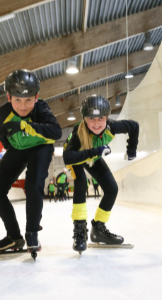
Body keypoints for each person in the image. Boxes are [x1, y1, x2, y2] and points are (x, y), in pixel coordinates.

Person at [0, 70, 61, 256]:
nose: (23, 106)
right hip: (18, 149)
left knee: (33, 184)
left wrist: (24, 126)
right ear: (8, 97)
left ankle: (32, 232)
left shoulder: (41, 108)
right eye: (17, 100)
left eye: (28, 100)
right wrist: (19, 148)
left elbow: (56, 132)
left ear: (36, 97)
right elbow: (5, 139)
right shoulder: (1, 114)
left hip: (42, 147)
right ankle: (14, 237)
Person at [63, 95, 140, 253]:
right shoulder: (78, 133)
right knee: (81, 182)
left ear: (107, 117)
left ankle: (98, 229)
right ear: (84, 118)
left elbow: (134, 126)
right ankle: (79, 230)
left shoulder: (112, 126)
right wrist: (97, 151)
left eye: (101, 118)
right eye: (91, 118)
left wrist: (131, 149)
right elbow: (68, 157)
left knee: (112, 189)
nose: (97, 123)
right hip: (76, 156)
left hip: (93, 156)